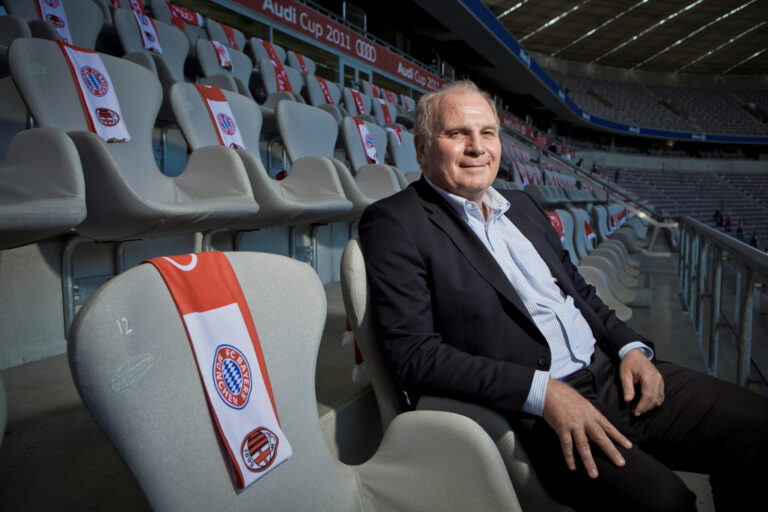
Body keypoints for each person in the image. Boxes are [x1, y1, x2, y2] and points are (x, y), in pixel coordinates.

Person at [359, 80, 768, 512]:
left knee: (759, 430)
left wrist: (630, 347)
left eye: (487, 133)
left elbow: (581, 294)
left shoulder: (523, 205)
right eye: (456, 133)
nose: (477, 147)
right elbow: (414, 357)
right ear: (422, 148)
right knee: (667, 504)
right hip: (537, 412)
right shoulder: (394, 223)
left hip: (612, 376)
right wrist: (544, 392)